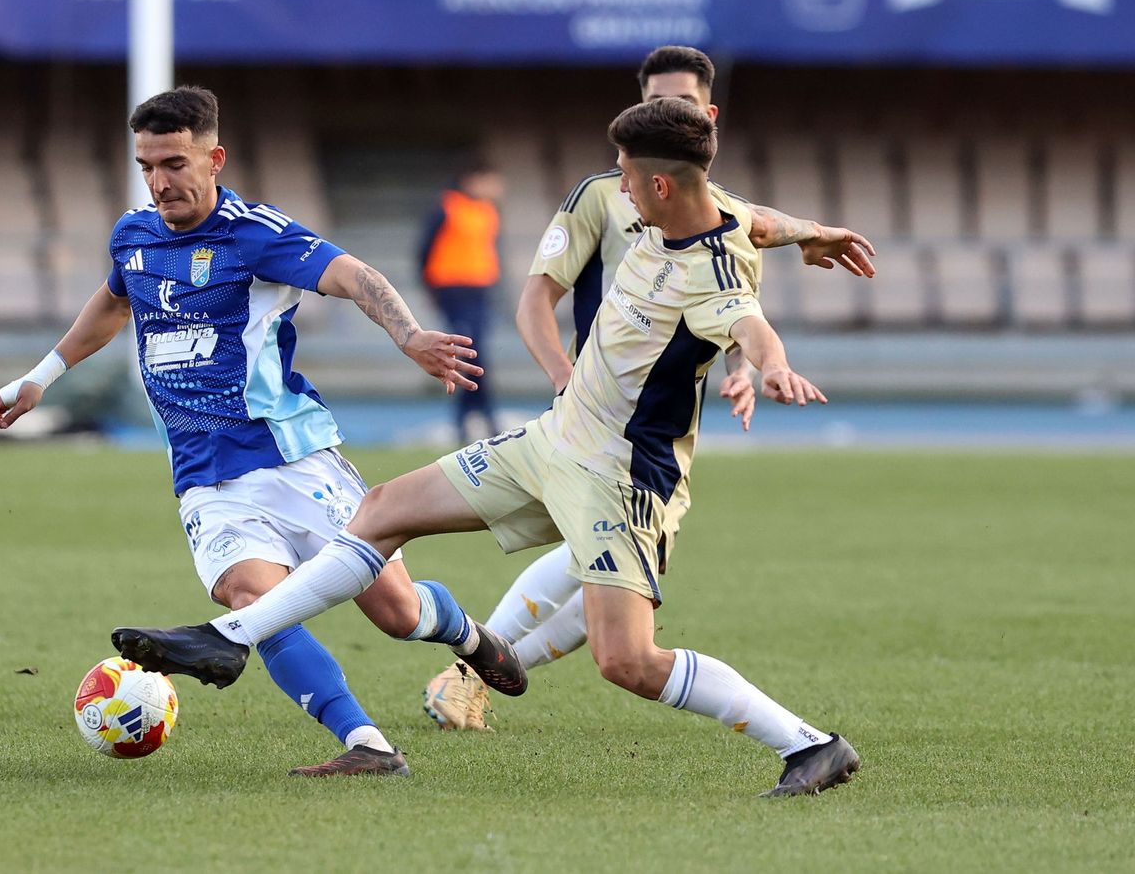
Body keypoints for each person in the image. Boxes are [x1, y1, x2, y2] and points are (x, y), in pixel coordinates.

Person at [114, 98, 861, 798]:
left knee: (627, 661)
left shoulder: (712, 272)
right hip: (551, 441)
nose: (619, 194)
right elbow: (759, 219)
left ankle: (808, 745)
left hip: (620, 476)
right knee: (381, 509)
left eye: (629, 182)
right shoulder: (704, 207)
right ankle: (228, 636)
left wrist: (771, 365)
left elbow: (746, 317)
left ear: (662, 184)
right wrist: (816, 231)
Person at [0, 86, 525, 778]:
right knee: (256, 604)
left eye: (174, 163)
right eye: (146, 165)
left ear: (215, 158)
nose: (159, 182)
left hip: (295, 458)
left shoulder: (254, 232)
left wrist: (410, 334)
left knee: (396, 612)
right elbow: (115, 303)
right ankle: (367, 745)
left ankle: (469, 636)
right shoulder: (135, 235)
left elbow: (354, 275)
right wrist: (42, 374)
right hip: (205, 478)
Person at [424, 45, 878, 732]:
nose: (673, 113)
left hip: (656, 421)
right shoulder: (601, 194)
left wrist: (747, 361)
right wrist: (564, 377)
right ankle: (468, 671)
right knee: (601, 581)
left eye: (686, 105)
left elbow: (736, 279)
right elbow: (533, 302)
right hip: (594, 416)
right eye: (659, 103)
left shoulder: (715, 209)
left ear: (708, 117)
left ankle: (476, 667)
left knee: (605, 587)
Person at [418, 160, 504, 442]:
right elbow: (424, 249)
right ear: (472, 179)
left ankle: (468, 422)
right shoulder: (448, 206)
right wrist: (431, 290)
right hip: (453, 290)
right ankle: (484, 421)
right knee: (469, 354)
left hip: (479, 291)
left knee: (474, 355)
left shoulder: (488, 211)